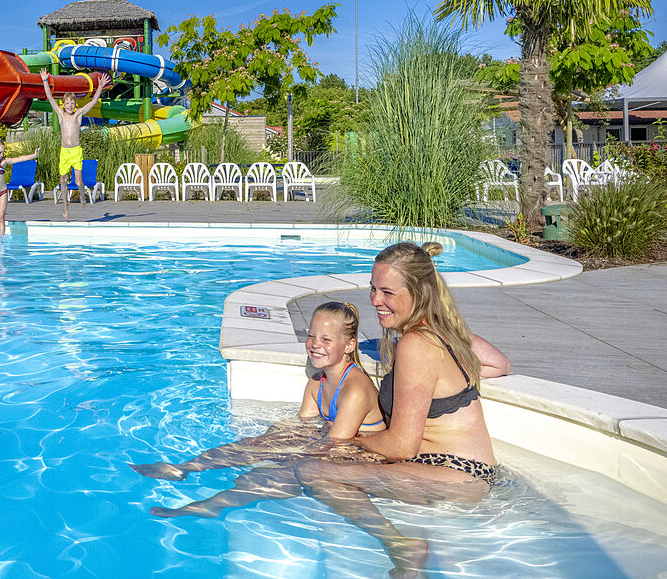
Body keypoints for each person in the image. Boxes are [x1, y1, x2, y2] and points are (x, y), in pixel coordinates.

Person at [153, 242, 498, 576]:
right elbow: (500, 363)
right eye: (373, 288)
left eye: (387, 293)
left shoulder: (417, 344)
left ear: (419, 293)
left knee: (314, 469)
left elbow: (402, 446)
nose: (376, 300)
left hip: (456, 474)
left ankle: (400, 545)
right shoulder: (442, 332)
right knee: (296, 461)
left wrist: (353, 441)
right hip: (451, 466)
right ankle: (214, 501)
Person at [133, 302, 386, 514]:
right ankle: (184, 468)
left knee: (271, 476)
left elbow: (335, 446)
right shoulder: (317, 381)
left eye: (326, 339)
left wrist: (287, 454)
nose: (314, 344)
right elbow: (303, 425)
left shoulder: (354, 390)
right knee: (253, 443)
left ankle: (209, 506)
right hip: (334, 447)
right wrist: (267, 440)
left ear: (350, 346)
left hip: (360, 458)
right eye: (311, 335)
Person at [38, 70, 108, 220]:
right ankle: (65, 206)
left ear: (75, 104)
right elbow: (50, 98)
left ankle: (82, 197)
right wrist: (45, 81)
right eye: (67, 103)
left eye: (72, 103)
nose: (70, 105)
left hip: (76, 151)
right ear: (63, 104)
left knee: (78, 181)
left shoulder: (78, 114)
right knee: (63, 180)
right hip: (64, 152)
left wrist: (100, 86)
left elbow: (93, 101)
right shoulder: (60, 114)